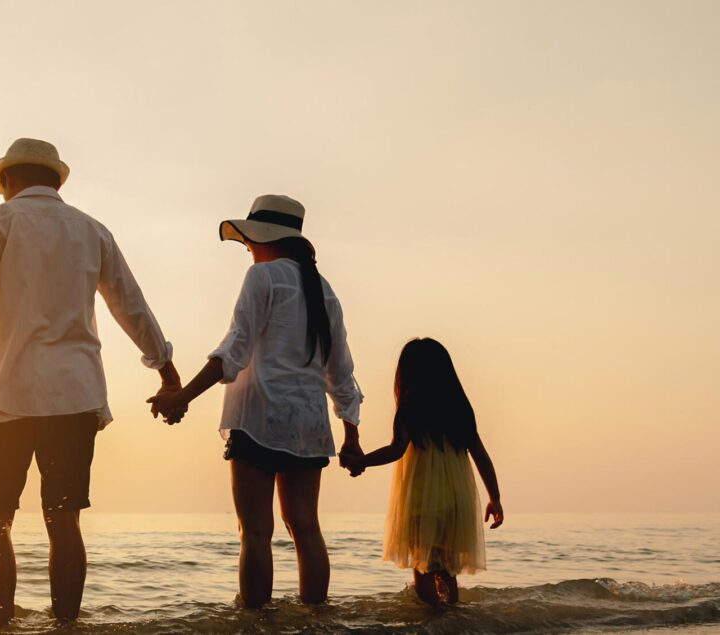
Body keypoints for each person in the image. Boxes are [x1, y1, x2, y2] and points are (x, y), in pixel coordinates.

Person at [0, 138, 182, 624]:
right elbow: (130, 304)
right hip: (73, 395)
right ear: (56, 180)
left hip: (5, 396)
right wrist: (166, 370)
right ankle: (66, 626)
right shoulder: (91, 230)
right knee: (63, 520)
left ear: (9, 181)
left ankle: (0, 625)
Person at [148, 195, 363, 608]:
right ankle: (315, 620)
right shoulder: (325, 289)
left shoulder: (262, 278)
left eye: (249, 242)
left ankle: (256, 622)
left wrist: (181, 396)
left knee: (255, 531)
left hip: (259, 418)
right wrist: (351, 434)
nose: (247, 249)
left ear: (264, 240)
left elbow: (234, 351)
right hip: (308, 424)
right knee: (306, 529)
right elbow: (342, 372)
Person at [343, 337, 504, 607]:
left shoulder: (410, 409)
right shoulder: (460, 410)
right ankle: (451, 614)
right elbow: (481, 455)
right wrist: (494, 497)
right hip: (456, 503)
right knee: (446, 567)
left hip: (422, 503)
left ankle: (431, 617)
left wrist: (363, 462)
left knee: (422, 565)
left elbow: (396, 449)